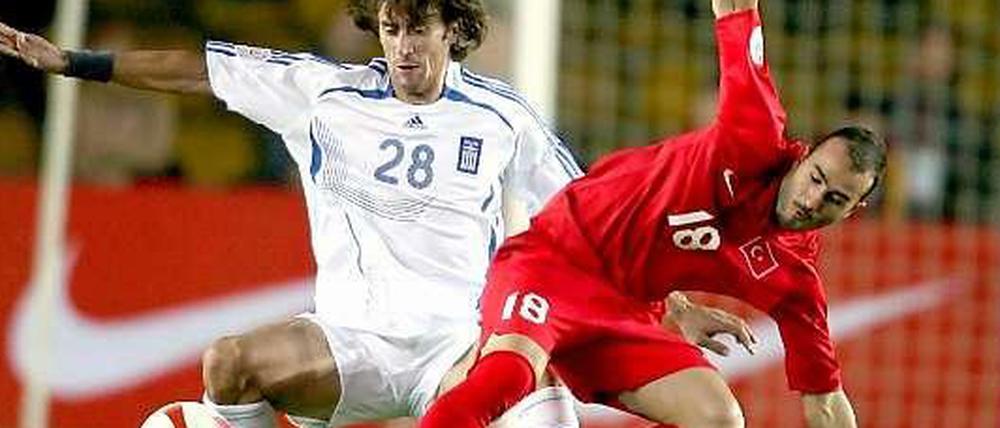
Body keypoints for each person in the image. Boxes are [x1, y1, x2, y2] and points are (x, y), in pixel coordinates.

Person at [0, 0, 757, 427]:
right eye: (391, 28)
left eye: (418, 29)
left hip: (463, 348)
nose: (401, 46)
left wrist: (670, 305)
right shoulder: (321, 92)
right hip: (350, 345)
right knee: (227, 366)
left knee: (539, 407)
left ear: (453, 32)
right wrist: (73, 62)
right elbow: (201, 70)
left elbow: (594, 223)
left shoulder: (504, 118)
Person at [420, 0, 887, 427]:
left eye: (834, 199)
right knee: (505, 377)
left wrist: (675, 308)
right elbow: (737, 9)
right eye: (816, 178)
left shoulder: (794, 280)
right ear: (804, 157)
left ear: (854, 210)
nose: (812, 199)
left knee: (718, 417)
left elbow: (825, 401)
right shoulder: (754, 133)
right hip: (553, 262)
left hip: (625, 309)